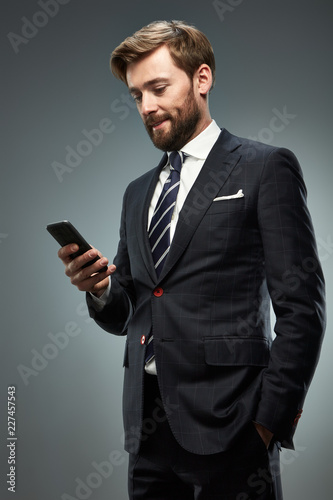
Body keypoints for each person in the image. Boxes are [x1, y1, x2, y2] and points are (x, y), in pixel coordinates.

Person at [58, 20, 326, 500]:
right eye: (137, 95)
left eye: (158, 88)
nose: (147, 107)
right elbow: (132, 311)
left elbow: (303, 307)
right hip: (147, 434)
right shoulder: (137, 193)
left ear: (202, 79)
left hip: (235, 431)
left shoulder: (266, 167)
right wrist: (99, 288)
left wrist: (266, 425)